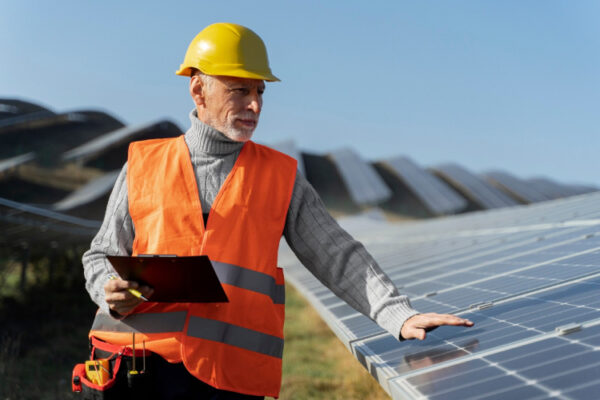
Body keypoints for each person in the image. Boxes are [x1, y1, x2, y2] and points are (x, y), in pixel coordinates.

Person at [82, 22, 473, 399]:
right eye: (239, 91)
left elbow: (335, 252)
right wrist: (108, 290)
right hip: (139, 367)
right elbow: (100, 254)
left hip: (227, 379)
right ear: (198, 90)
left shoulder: (280, 176)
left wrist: (398, 315)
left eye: (260, 92)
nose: (255, 105)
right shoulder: (144, 164)